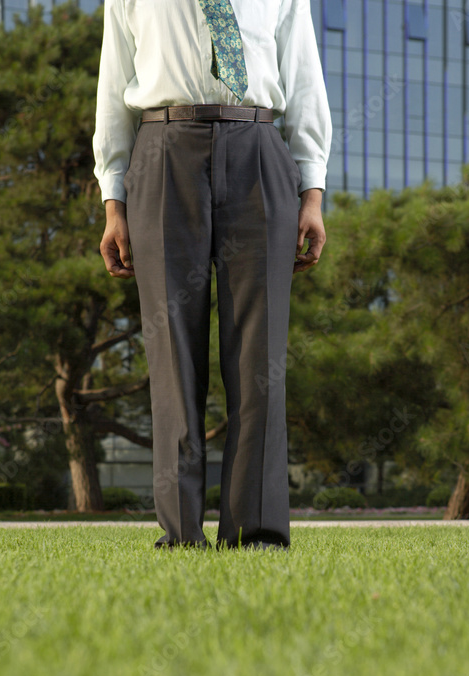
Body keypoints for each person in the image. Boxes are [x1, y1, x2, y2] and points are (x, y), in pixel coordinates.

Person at [93, 0, 332, 550]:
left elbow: (303, 78)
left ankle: (257, 531)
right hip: (162, 149)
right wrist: (114, 201)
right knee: (172, 349)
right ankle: (180, 533)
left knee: (260, 352)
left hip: (259, 151)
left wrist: (312, 194)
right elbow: (113, 88)